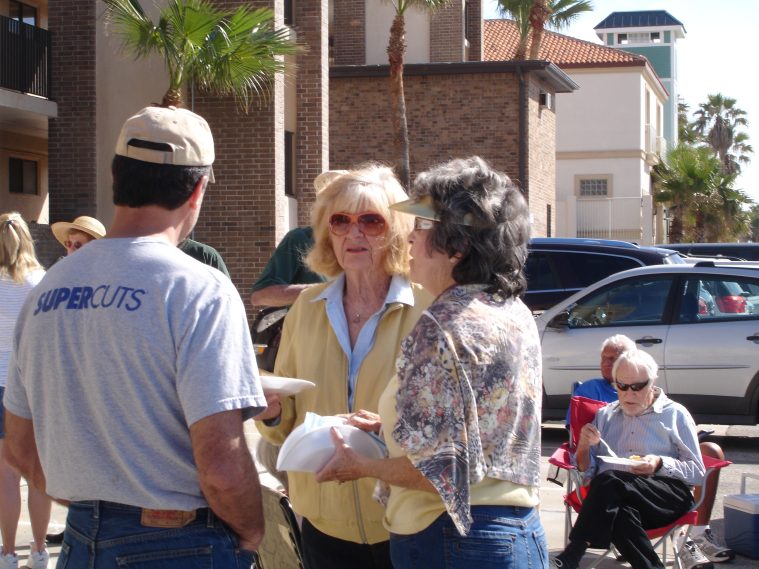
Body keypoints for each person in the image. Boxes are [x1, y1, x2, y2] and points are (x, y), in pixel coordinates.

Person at [3, 106, 266, 568]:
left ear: (115, 177)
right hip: (179, 542)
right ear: (198, 189)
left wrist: (92, 503)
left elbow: (20, 444)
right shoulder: (199, 288)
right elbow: (221, 468)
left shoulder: (48, 288)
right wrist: (252, 533)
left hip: (81, 541)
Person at [316, 156, 547, 569]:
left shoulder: (442, 324)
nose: (409, 237)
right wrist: (389, 426)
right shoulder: (513, 311)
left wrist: (362, 466)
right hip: (519, 533)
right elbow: (480, 431)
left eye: (422, 226)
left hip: (451, 539)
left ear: (456, 247)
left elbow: (440, 470)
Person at [255, 165, 431, 569]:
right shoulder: (306, 307)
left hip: (408, 521)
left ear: (396, 231)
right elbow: (286, 421)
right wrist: (272, 413)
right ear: (326, 232)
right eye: (340, 221)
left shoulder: (428, 307)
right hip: (324, 521)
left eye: (370, 220)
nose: (354, 233)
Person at [568, 334, 734, 566]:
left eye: (637, 387)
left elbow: (697, 473)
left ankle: (574, 550)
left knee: (610, 480)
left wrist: (659, 463)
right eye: (622, 386)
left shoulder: (674, 414)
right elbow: (586, 473)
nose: (629, 394)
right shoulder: (605, 416)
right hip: (613, 501)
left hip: (664, 497)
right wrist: (584, 447)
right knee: (618, 509)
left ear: (652, 382)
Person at [0, 213, 51, 569]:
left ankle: (7, 553)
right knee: (37, 474)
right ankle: (39, 550)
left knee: (6, 476)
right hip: (34, 384)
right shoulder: (42, 282)